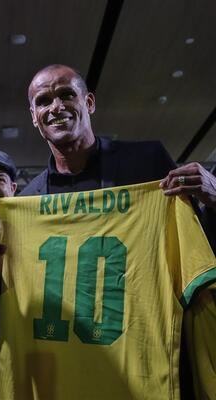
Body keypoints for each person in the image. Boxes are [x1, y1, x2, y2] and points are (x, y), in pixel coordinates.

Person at [17, 64, 216, 398]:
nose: (56, 107)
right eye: (43, 101)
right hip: (69, 377)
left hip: (145, 370)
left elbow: (198, 259)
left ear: (89, 102)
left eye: (67, 94)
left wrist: (214, 198)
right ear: (34, 117)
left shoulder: (148, 163)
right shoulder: (26, 203)